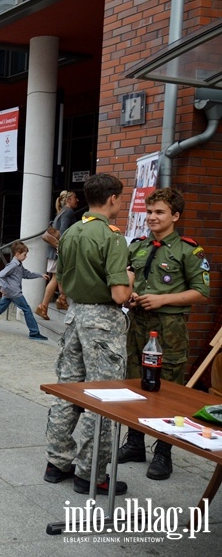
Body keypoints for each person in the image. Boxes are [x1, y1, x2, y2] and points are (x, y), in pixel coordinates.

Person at [44, 173, 134, 495]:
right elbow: (121, 295)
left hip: (74, 317)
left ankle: (56, 463)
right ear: (112, 199)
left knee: (67, 392)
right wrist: (131, 279)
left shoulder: (70, 233)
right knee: (103, 398)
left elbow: (63, 284)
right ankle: (91, 473)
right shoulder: (112, 237)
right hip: (103, 323)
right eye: (120, 199)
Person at [116, 188, 210, 480]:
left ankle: (163, 452)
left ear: (175, 216)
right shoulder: (139, 246)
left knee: (168, 388)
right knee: (134, 381)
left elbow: (201, 292)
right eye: (150, 211)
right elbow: (128, 279)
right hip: (138, 324)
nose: (152, 217)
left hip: (169, 328)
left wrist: (162, 299)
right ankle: (134, 443)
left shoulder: (188, 250)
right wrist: (131, 297)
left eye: (160, 212)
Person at [0, 241, 50, 340]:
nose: (26, 256)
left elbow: (27, 274)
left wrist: (40, 275)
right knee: (27, 309)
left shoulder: (18, 264)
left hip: (9, 293)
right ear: (17, 253)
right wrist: (3, 287)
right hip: (14, 292)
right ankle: (34, 332)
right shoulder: (13, 265)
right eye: (24, 254)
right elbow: (0, 275)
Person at [36, 190, 79, 319]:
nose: (78, 200)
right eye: (75, 197)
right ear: (68, 199)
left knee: (58, 277)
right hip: (58, 251)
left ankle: (59, 300)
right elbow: (64, 232)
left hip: (54, 250)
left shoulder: (60, 213)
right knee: (57, 278)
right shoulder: (68, 212)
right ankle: (45, 305)